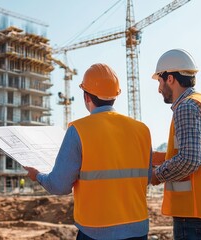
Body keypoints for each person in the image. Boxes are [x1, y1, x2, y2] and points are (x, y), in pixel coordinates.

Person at [24, 63, 152, 240]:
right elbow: (146, 177)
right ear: (116, 95)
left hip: (96, 231)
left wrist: (37, 175)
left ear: (86, 97)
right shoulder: (142, 130)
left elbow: (59, 186)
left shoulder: (78, 130)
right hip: (138, 230)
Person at [150, 49, 201, 240]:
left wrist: (156, 175)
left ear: (170, 78)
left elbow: (189, 159)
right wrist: (155, 157)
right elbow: (200, 154)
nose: (159, 88)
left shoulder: (186, 106)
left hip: (194, 216)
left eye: (159, 81)